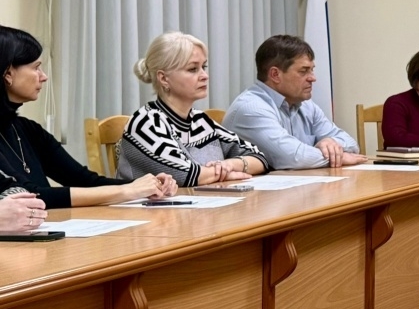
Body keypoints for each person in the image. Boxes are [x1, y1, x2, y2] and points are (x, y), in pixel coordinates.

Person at [0, 25, 177, 207]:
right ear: (8, 73)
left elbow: (84, 180)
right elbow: (27, 196)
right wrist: (127, 191)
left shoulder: (28, 130)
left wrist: (147, 186)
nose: (43, 76)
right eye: (36, 68)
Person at [118, 32, 268, 185]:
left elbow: (259, 158)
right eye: (192, 69)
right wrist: (225, 174)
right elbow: (184, 175)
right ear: (163, 78)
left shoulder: (200, 120)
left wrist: (229, 165)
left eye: (204, 67)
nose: (205, 76)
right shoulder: (146, 122)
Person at [223, 35, 365, 170]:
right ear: (275, 75)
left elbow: (352, 144)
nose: (313, 78)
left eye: (312, 70)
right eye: (304, 71)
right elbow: (294, 158)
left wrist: (331, 143)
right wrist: (339, 157)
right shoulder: (251, 108)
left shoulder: (306, 106)